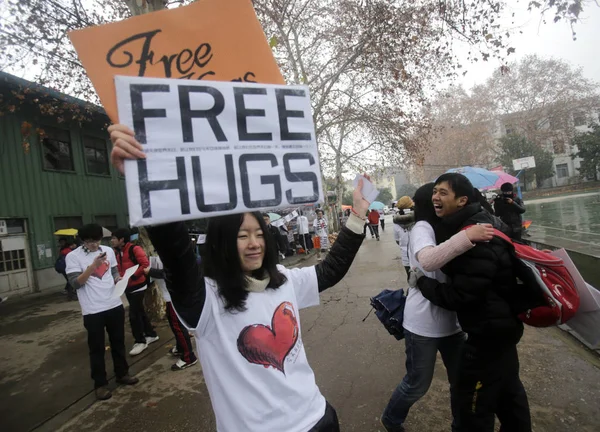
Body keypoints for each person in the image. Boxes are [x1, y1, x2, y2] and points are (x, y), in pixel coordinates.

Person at [109, 122, 370, 432]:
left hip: (319, 418)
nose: (254, 243)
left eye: (259, 233)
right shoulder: (204, 299)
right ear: (221, 242)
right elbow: (175, 251)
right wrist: (145, 181)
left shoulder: (283, 279)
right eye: (242, 235)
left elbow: (331, 270)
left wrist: (358, 214)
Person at [415, 173, 531, 432]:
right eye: (435, 191)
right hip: (504, 329)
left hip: (486, 336)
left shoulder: (475, 237)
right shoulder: (481, 222)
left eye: (443, 193)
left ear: (462, 200)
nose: (436, 197)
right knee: (510, 398)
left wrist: (424, 283)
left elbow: (461, 296)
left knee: (472, 407)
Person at [381, 184, 495, 432]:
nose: (438, 199)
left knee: (460, 382)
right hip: (422, 325)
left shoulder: (446, 226)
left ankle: (460, 424)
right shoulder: (422, 228)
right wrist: (467, 237)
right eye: (435, 196)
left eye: (443, 194)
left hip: (452, 324)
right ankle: (391, 418)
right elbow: (429, 260)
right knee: (417, 384)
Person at [65, 223, 138, 400]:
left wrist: (117, 278)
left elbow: (112, 269)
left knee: (118, 342)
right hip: (93, 310)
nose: (95, 245)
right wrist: (92, 266)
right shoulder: (73, 257)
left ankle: (122, 374)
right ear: (83, 240)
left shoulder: (108, 250)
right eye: (90, 242)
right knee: (96, 348)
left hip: (113, 303)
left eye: (97, 240)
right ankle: (100, 384)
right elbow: (76, 284)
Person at [111, 228, 159, 356]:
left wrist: (132, 276)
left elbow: (145, 264)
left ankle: (140, 341)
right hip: (127, 286)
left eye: (114, 238)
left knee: (133, 315)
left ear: (121, 239)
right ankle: (151, 334)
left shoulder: (135, 249)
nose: (112, 241)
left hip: (138, 285)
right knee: (140, 311)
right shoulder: (116, 252)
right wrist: (120, 278)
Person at [147, 255, 198, 371]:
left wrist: (150, 271)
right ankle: (180, 347)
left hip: (174, 297)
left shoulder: (172, 252)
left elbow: (171, 273)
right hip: (169, 296)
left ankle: (188, 356)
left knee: (178, 326)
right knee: (174, 325)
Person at [392, 196, 415, 280]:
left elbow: (397, 240)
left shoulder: (396, 223)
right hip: (418, 256)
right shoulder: (418, 219)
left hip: (406, 257)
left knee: (411, 280)